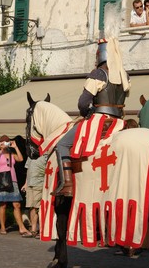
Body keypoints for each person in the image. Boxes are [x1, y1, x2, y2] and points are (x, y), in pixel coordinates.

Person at [54, 37, 130, 197]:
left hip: (99, 120)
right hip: (119, 122)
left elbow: (83, 103)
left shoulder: (98, 74)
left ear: (101, 55)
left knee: (62, 144)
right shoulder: (124, 76)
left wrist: (85, 114)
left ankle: (67, 185)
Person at [0, 135, 31, 236]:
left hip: (13, 180)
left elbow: (21, 159)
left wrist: (15, 147)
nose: (5, 143)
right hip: (1, 181)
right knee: (3, 205)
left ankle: (21, 227)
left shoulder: (12, 153)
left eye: (6, 142)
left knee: (17, 204)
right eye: (3, 142)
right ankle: (2, 227)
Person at [22, 154, 47, 238]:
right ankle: (33, 229)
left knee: (37, 207)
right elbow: (28, 170)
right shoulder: (30, 156)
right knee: (31, 207)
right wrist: (25, 184)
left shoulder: (45, 155)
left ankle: (41, 230)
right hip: (30, 184)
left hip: (39, 184)